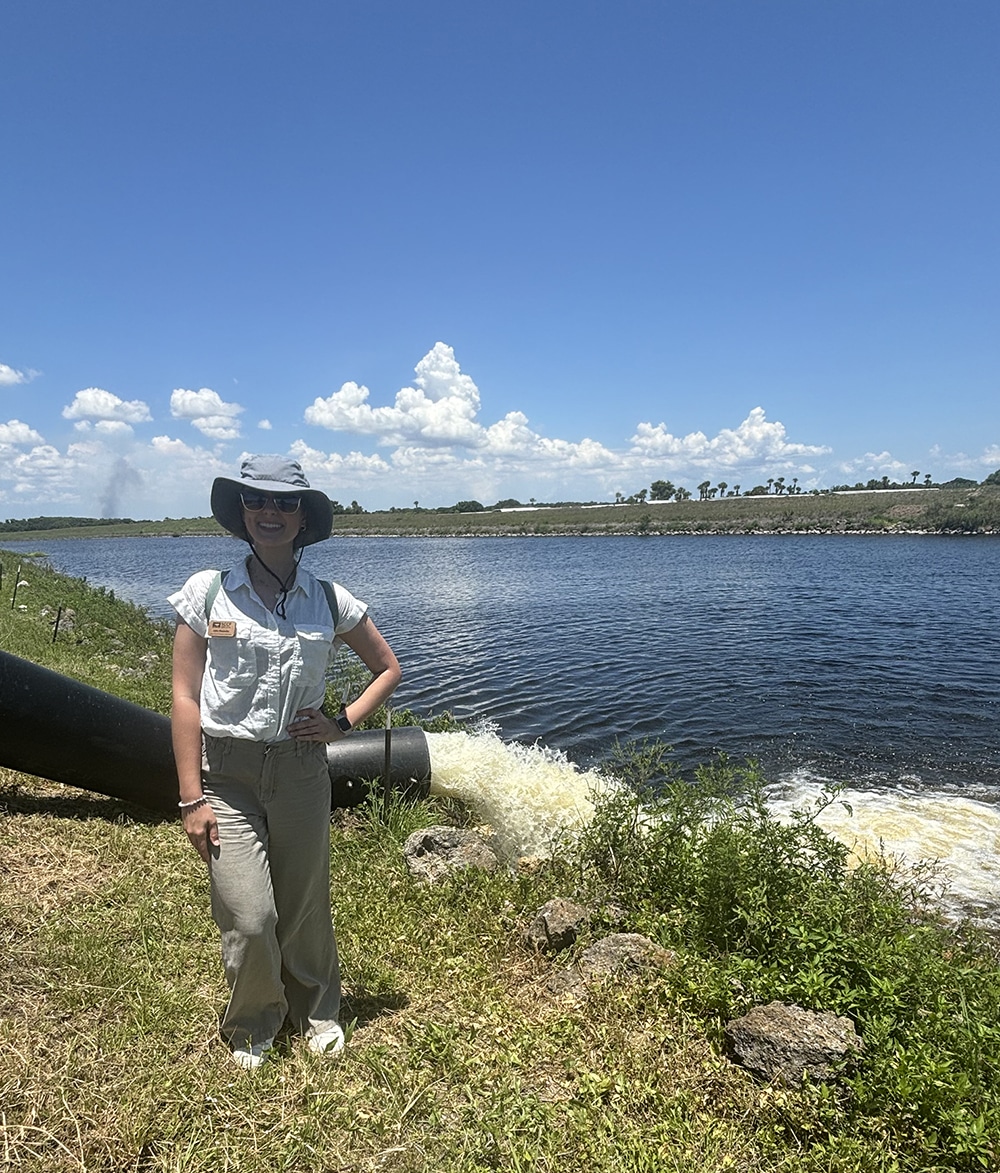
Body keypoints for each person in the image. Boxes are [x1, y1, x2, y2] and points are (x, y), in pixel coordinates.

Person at [168, 455, 401, 1069]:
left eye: (284, 503)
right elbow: (185, 697)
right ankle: (254, 1020)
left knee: (303, 904)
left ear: (303, 518)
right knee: (250, 914)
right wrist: (191, 797)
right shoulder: (208, 593)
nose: (269, 512)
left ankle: (317, 1009)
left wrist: (340, 723)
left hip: (300, 771)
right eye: (256, 500)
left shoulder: (328, 599)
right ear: (242, 513)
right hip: (228, 774)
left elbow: (388, 669)